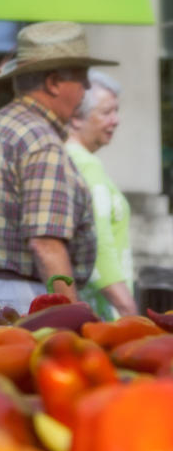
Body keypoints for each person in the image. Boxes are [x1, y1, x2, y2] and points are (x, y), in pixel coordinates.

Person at [0, 21, 115, 313]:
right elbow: (46, 244)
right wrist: (72, 314)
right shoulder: (42, 140)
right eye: (81, 79)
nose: (86, 88)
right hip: (23, 297)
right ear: (53, 83)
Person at [67, 71, 135, 318]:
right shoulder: (86, 164)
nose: (116, 120)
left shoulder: (70, 157)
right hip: (103, 311)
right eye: (107, 112)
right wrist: (127, 308)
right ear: (76, 117)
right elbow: (97, 241)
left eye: (116, 111)